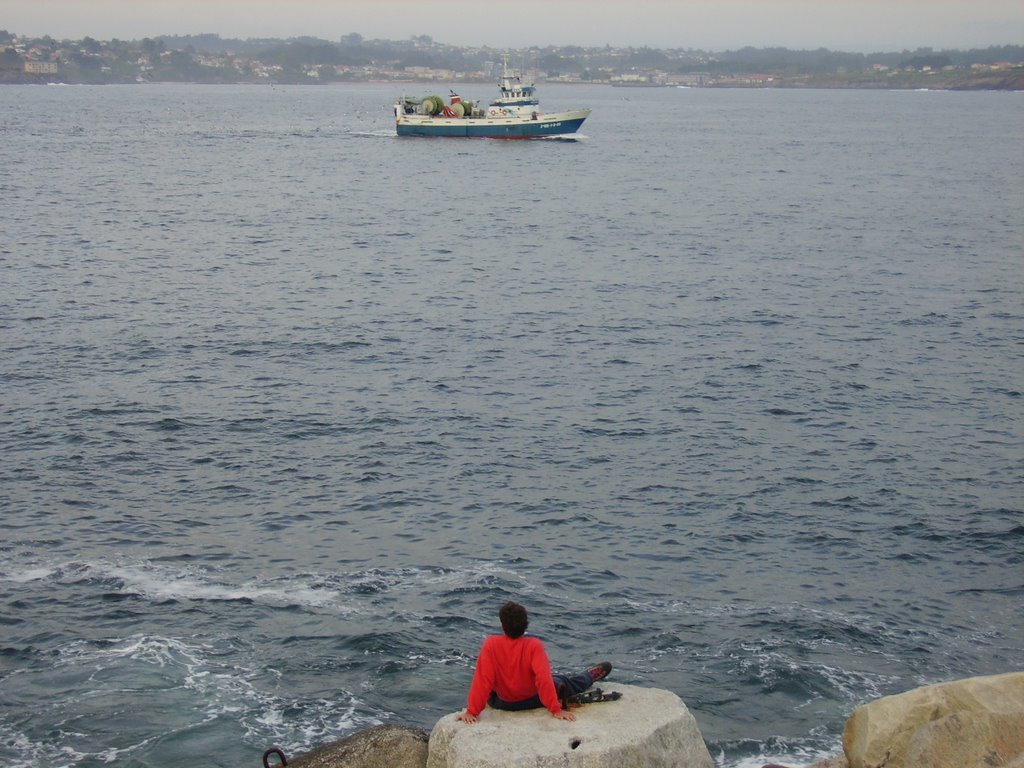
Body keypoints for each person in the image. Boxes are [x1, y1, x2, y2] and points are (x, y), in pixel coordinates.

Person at [456, 601, 612, 724]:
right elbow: (543, 679)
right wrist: (555, 709)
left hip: (501, 702)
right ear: (526, 625)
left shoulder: (490, 644)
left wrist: (472, 711)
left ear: (502, 626)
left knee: (493, 682)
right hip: (531, 700)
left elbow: (483, 680)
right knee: (560, 681)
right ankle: (588, 677)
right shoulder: (533, 645)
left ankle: (577, 679)